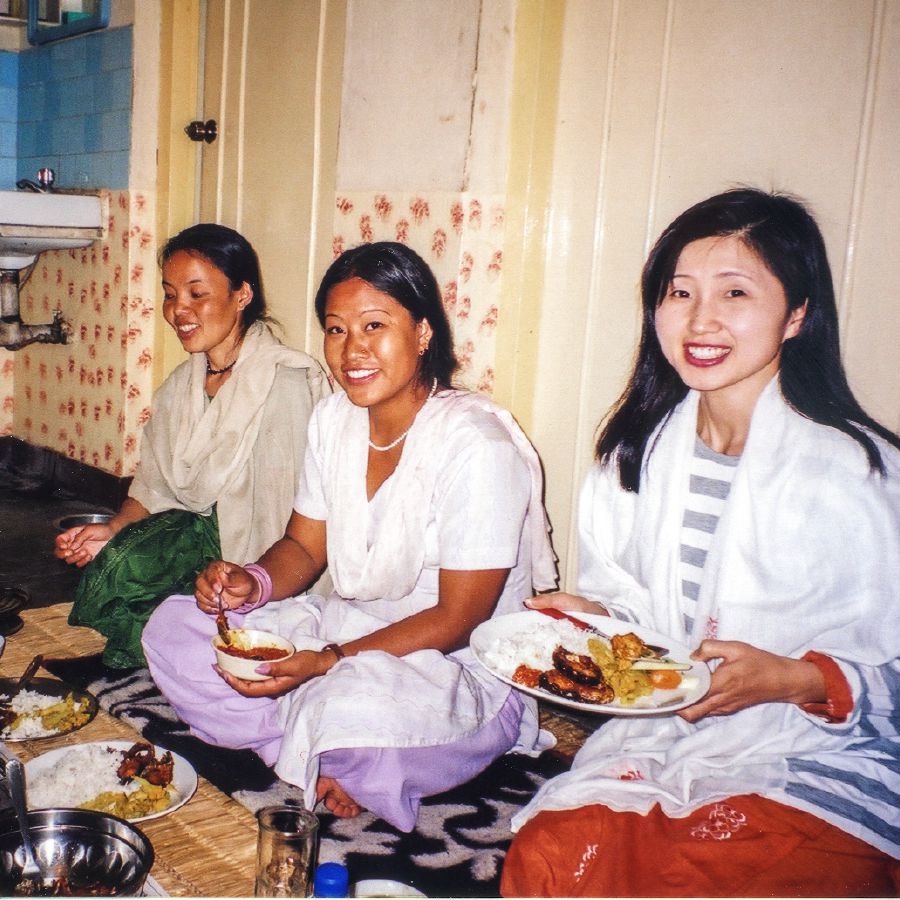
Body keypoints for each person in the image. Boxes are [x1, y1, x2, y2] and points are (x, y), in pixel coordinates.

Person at [500, 188, 900, 897]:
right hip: (663, 737)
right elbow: (643, 623)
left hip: (813, 748)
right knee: (551, 863)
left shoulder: (861, 475)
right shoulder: (634, 455)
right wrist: (591, 621)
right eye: (679, 292)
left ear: (797, 314)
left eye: (735, 292)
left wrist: (797, 679)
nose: (700, 319)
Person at [142, 241, 558, 832]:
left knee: (357, 708)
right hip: (347, 628)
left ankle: (320, 737)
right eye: (336, 329)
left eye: (374, 326)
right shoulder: (333, 421)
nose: (351, 349)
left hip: (455, 662)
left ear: (422, 332)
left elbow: (461, 617)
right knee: (173, 628)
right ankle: (311, 746)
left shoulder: (477, 446)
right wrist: (250, 583)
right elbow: (304, 547)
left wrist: (326, 664)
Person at [56, 224, 330, 668]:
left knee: (142, 589)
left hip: (259, 560)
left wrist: (251, 581)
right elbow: (152, 487)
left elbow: (291, 515)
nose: (178, 310)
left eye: (196, 294)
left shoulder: (284, 382)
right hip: (195, 540)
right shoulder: (181, 386)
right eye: (170, 295)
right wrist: (114, 529)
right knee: (120, 567)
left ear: (242, 295)